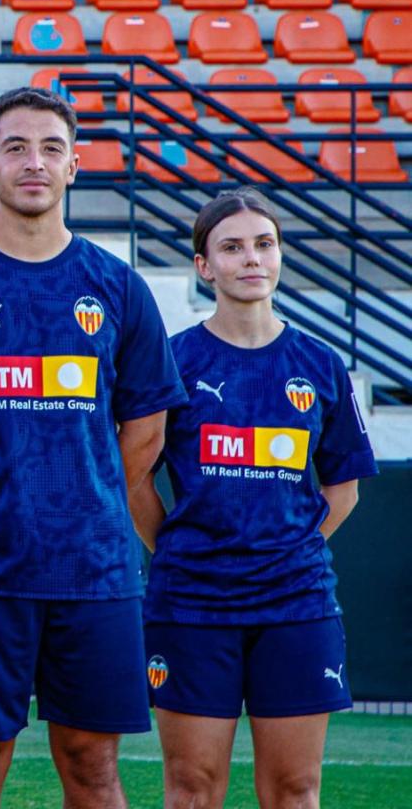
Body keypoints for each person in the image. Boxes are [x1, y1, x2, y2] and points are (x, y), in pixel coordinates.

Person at [0, 87, 187, 809]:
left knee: (94, 770)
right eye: (15, 148)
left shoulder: (118, 288)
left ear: (76, 165)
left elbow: (146, 430)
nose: (33, 162)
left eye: (49, 148)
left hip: (93, 571)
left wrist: (88, 499)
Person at [142, 188, 375, 809]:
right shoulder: (173, 361)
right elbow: (132, 474)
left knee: (295, 791)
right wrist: (172, 547)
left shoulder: (320, 363)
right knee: (192, 789)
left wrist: (289, 549)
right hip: (190, 603)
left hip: (295, 604)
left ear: (280, 256)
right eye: (233, 247)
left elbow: (343, 487)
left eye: (265, 244)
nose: (252, 259)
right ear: (204, 266)